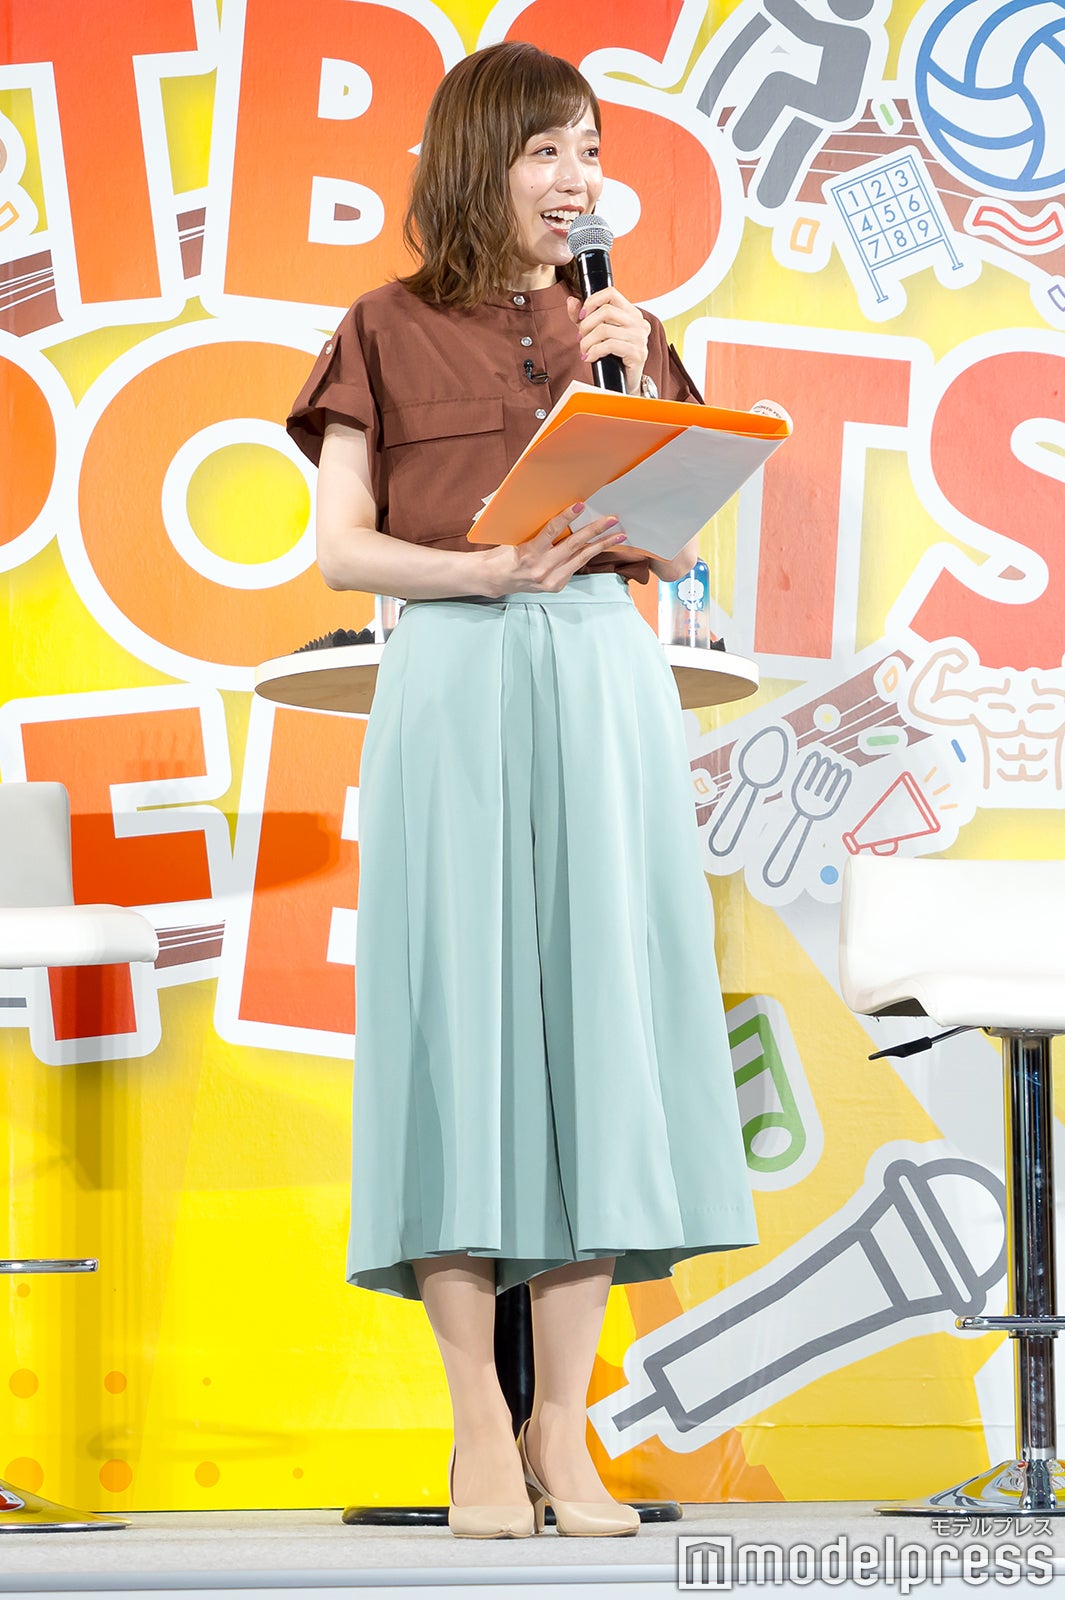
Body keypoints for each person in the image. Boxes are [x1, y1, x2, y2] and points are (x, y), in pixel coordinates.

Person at [287, 40, 757, 1540]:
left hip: (603, 671)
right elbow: (343, 550)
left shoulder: (625, 327)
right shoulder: (381, 326)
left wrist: (633, 378)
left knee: (599, 1030)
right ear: (476, 161)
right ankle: (477, 1429)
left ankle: (564, 1428)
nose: (575, 178)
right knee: (460, 1023)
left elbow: (675, 542)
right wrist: (483, 571)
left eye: (590, 150)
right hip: (454, 665)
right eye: (547, 149)